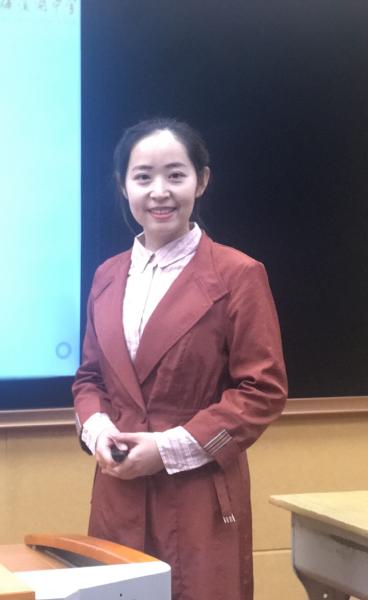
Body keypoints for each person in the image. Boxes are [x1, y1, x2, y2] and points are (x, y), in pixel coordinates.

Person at [73, 118, 287, 600]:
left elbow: (263, 390)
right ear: (123, 185)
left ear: (201, 180)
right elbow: (89, 378)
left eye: (175, 175)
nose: (159, 192)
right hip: (118, 491)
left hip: (197, 495)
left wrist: (167, 449)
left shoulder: (238, 274)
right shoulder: (107, 276)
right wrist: (100, 434)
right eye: (143, 177)